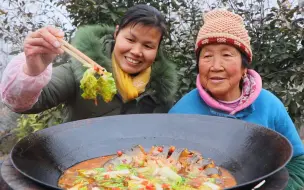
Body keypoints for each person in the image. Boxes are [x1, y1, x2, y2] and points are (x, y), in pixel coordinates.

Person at [169, 9, 304, 190]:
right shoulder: (182, 112)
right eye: (207, 56)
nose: (216, 66)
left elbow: (298, 164)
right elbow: (166, 165)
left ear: (244, 67)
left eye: (226, 55)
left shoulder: (269, 106)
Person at [0, 4, 178, 122]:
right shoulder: (83, 70)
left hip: (135, 175)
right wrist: (32, 70)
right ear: (117, 33)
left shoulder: (159, 91)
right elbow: (25, 103)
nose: (137, 52)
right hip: (80, 170)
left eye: (148, 45)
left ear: (157, 49)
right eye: (130, 40)